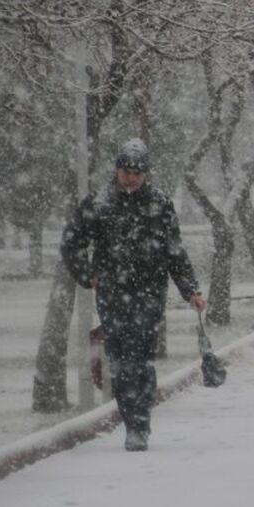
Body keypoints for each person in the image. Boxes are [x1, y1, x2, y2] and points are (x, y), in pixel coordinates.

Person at [61, 138, 206, 452]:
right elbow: (71, 243)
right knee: (121, 361)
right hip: (112, 295)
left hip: (149, 294)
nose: (132, 178)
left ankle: (140, 422)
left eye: (138, 173)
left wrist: (190, 289)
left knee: (141, 359)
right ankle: (132, 422)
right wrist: (88, 276)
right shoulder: (99, 202)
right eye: (127, 171)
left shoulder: (159, 203)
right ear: (117, 170)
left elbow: (174, 251)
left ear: (146, 174)